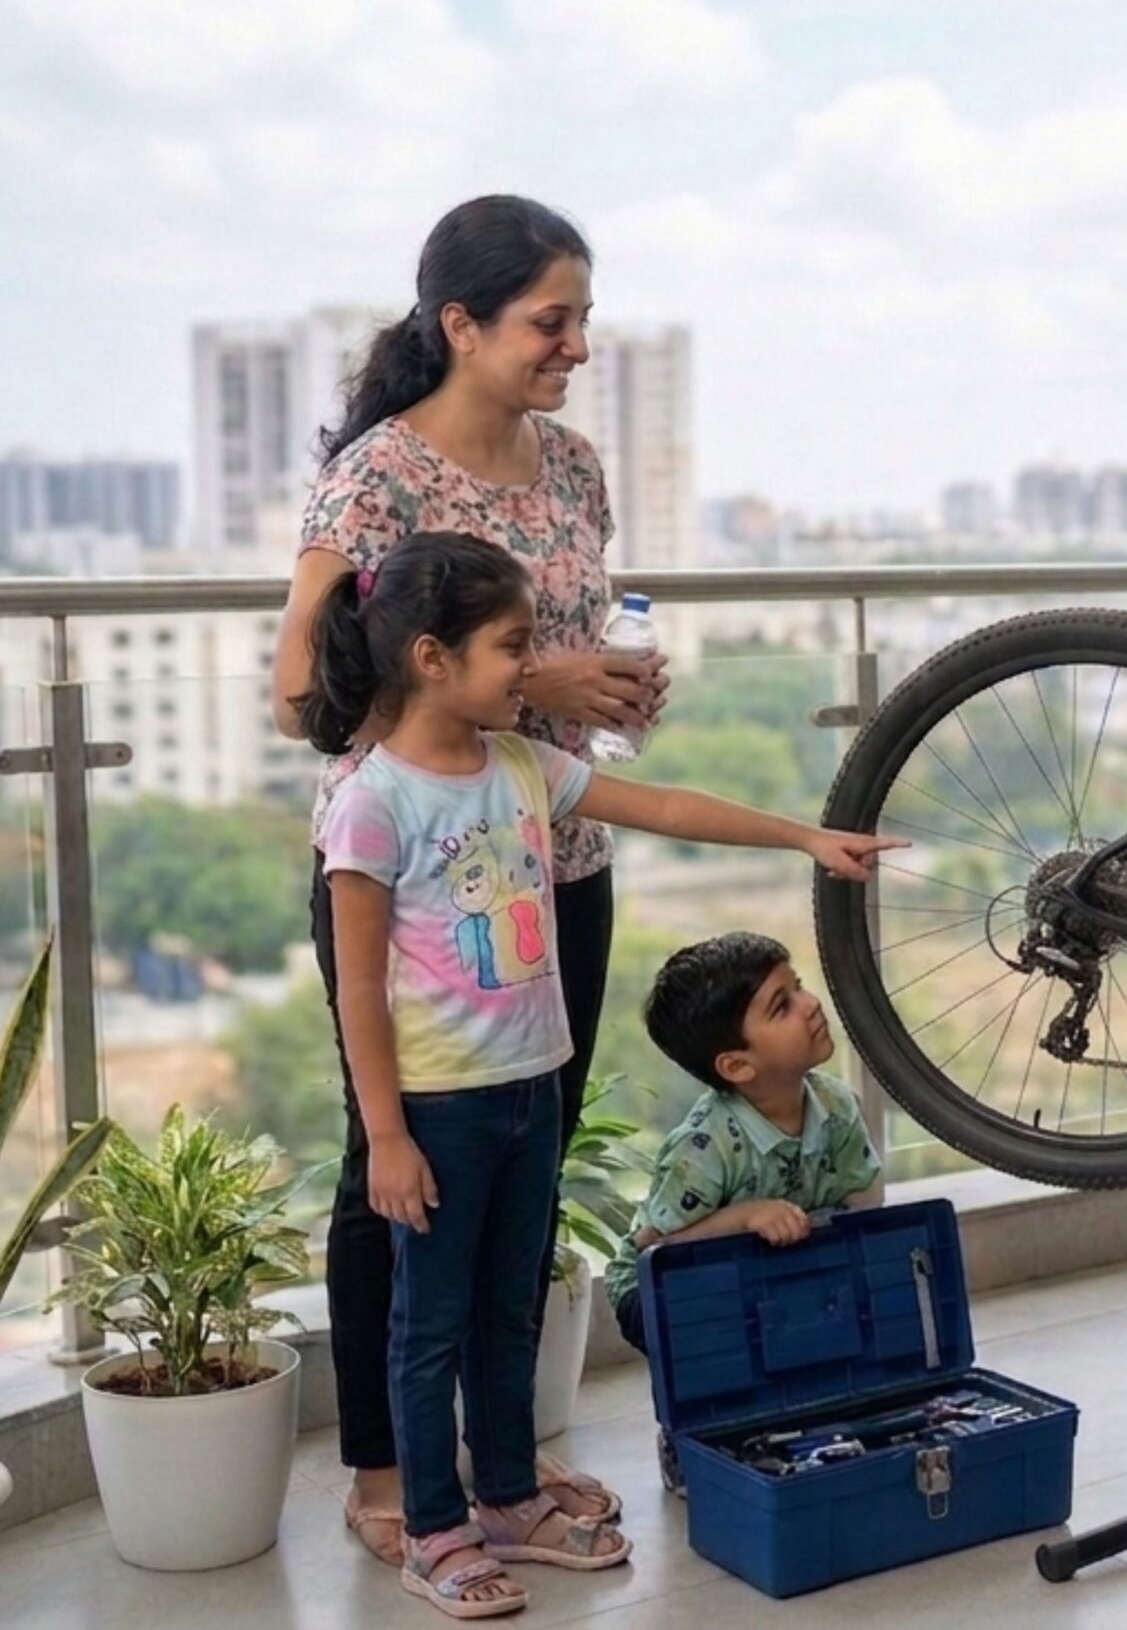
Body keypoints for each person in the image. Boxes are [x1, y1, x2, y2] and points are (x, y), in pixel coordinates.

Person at [300, 530, 900, 1617]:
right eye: (511, 649)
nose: (529, 670)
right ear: (431, 657)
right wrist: (385, 1136)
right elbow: (356, 995)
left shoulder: (523, 765)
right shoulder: (372, 802)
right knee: (428, 1325)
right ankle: (433, 1526)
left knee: (507, 1308)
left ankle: (512, 1497)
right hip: (439, 1112)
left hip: (533, 1088)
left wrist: (806, 839)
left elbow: (664, 806)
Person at [267, 195, 662, 1560]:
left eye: (583, 321)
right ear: (460, 324)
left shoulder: (574, 469)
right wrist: (537, 680)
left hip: (558, 860)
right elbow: (300, 688)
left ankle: (502, 1460)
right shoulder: (377, 477)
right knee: (397, 1171)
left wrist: (607, 689)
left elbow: (565, 650)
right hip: (414, 879)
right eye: (552, 321)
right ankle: (383, 1469)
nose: (576, 347)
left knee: (526, 1160)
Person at [602, 932, 885, 1497]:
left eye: (798, 987)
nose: (809, 1005)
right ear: (736, 1065)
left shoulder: (836, 1106)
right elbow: (657, 1251)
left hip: (766, 1271)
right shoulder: (704, 1148)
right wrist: (746, 1216)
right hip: (663, 1285)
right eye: (782, 1005)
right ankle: (690, 1432)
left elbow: (864, 1203)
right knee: (709, 1334)